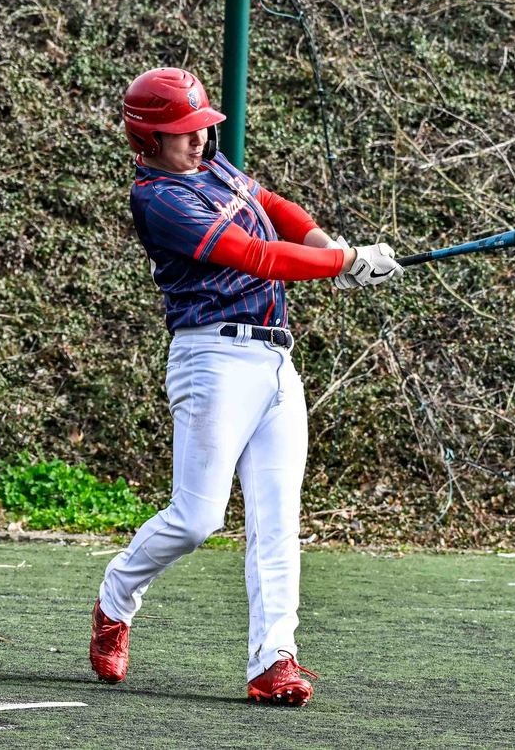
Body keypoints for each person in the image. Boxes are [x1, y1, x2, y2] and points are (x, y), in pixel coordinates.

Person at [90, 67, 403, 706]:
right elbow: (254, 255)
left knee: (277, 520)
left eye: (202, 127)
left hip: (275, 361)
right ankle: (117, 597)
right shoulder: (159, 199)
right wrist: (342, 263)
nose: (199, 140)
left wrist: (325, 244)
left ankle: (273, 660)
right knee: (196, 519)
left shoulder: (212, 165)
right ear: (147, 138)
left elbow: (273, 208)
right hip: (213, 359)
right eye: (184, 132)